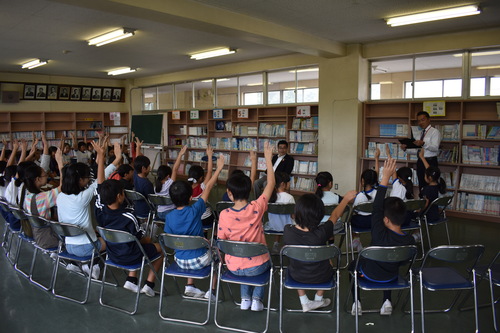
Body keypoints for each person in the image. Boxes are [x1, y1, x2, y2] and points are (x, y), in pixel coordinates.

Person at [349, 158, 415, 317]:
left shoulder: (379, 232)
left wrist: (385, 177)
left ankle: (356, 303)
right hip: (391, 276)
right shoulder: (410, 242)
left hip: (368, 273)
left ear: (385, 219)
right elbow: (404, 262)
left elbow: (377, 207)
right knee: (389, 262)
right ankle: (387, 302)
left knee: (352, 266)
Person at [217, 141, 275, 312]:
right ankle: (257, 299)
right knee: (264, 260)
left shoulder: (224, 214)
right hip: (257, 266)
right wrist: (268, 160)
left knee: (240, 255)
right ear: (250, 190)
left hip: (233, 267)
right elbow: (270, 183)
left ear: (229, 193)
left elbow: (222, 241)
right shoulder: (257, 208)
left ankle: (244, 299)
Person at [283, 190, 356, 312]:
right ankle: (318, 299)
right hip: (323, 276)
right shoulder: (323, 231)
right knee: (328, 260)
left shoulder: (288, 231)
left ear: (296, 212)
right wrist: (345, 199)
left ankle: (304, 301)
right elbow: (335, 215)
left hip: (296, 276)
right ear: (320, 216)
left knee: (294, 260)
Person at [57, 142, 121, 279]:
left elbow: (65, 177)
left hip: (68, 246)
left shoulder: (60, 196)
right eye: (87, 178)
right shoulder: (82, 197)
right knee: (112, 240)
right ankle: (95, 265)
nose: (88, 181)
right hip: (86, 247)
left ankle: (79, 264)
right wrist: (106, 156)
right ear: (80, 180)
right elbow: (100, 181)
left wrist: (59, 163)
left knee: (97, 233)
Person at [165, 154, 225, 300]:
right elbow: (209, 186)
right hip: (199, 260)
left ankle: (190, 285)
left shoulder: (169, 217)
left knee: (188, 246)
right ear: (191, 197)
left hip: (179, 260)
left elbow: (169, 239)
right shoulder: (195, 209)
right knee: (218, 254)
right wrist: (219, 168)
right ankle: (212, 291)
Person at [95, 178, 163, 297]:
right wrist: (149, 240)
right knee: (160, 248)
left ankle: (132, 280)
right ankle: (149, 285)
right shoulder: (129, 216)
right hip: (131, 257)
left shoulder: (100, 213)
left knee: (131, 244)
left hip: (112, 255)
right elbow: (141, 238)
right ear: (119, 196)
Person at [20, 148, 64, 249]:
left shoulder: (29, 196)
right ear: (38, 179)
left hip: (38, 237)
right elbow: (62, 187)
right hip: (50, 238)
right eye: (45, 175)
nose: (47, 176)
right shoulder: (42, 198)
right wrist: (60, 163)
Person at [172, 145, 215, 229]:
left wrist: (180, 154)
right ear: (201, 178)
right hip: (204, 219)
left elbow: (174, 170)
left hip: (190, 218)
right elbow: (210, 172)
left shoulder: (184, 188)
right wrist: (210, 156)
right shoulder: (202, 187)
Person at [403, 111, 441, 197]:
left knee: (431, 186)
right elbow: (418, 150)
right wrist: (406, 149)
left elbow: (435, 148)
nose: (420, 123)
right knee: (422, 185)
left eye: (422, 120)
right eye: (418, 121)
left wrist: (423, 143)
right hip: (420, 161)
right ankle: (422, 204)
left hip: (430, 162)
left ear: (429, 120)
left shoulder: (435, 132)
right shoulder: (421, 133)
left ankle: (429, 206)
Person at [265, 171, 295, 254]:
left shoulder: (270, 196)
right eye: (288, 183)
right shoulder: (290, 198)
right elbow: (293, 216)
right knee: (289, 222)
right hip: (287, 226)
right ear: (283, 184)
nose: (289, 184)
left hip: (273, 226)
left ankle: (276, 244)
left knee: (279, 221)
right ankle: (287, 245)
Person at [350, 168, 379, 252]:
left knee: (350, 219)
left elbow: (355, 210)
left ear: (362, 181)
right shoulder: (378, 193)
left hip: (361, 222)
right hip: (374, 221)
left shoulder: (360, 195)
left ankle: (356, 238)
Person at [419, 149, 447, 223]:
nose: (424, 176)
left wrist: (418, 210)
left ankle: (417, 233)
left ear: (429, 178)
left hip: (427, 216)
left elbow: (425, 203)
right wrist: (422, 157)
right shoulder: (438, 185)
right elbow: (429, 170)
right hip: (435, 215)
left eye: (425, 175)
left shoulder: (426, 189)